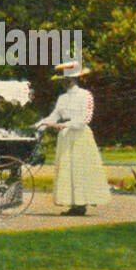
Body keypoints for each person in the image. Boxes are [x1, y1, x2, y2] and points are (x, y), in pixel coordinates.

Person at [37, 61, 110, 215]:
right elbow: (55, 115)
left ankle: (81, 203)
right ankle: (74, 204)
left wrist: (67, 125)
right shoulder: (62, 98)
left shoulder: (85, 95)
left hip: (80, 135)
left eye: (65, 80)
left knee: (79, 168)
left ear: (73, 79)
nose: (64, 83)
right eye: (62, 80)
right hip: (66, 136)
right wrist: (42, 124)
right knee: (67, 168)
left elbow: (85, 118)